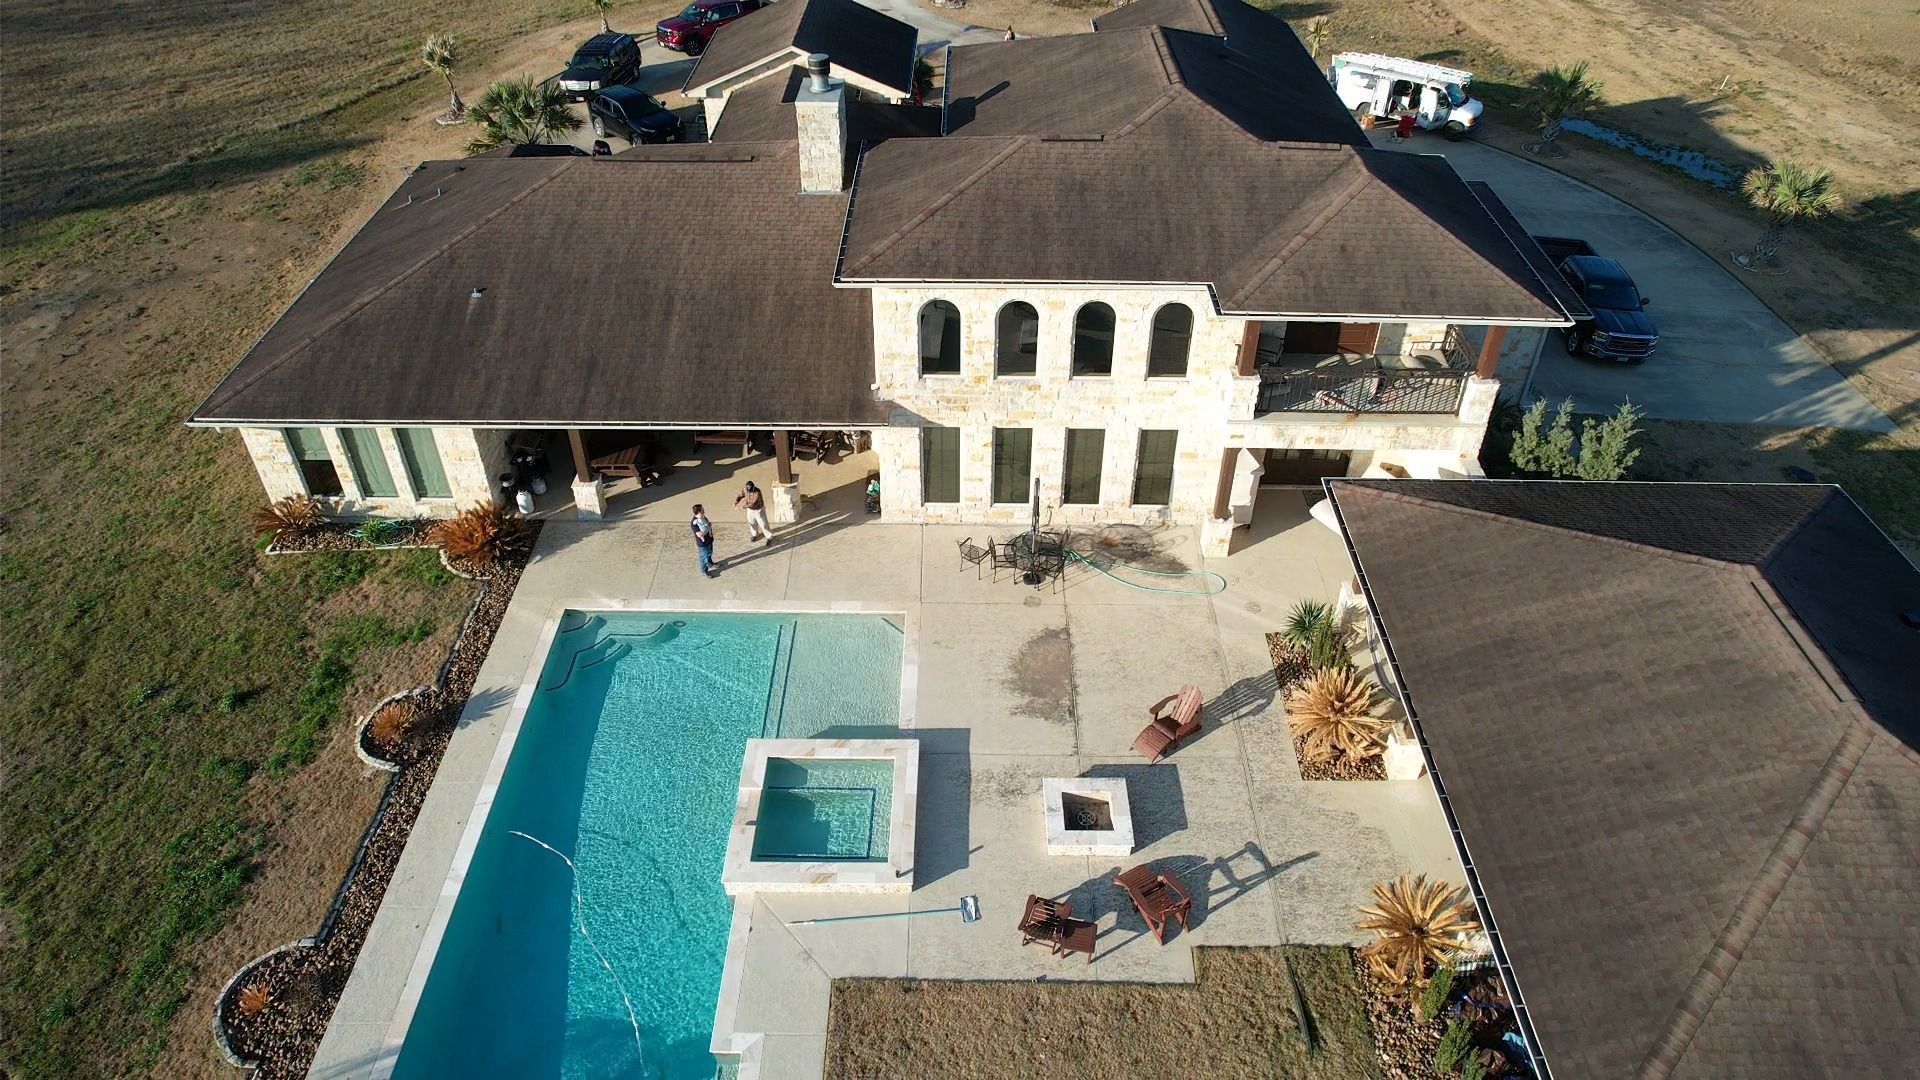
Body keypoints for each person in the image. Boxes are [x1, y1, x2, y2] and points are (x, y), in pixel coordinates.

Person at [690, 505, 716, 577]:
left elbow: (708, 524)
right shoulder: (693, 523)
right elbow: (700, 534)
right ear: (698, 511)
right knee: (704, 557)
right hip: (703, 543)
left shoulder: (703, 517)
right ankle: (704, 571)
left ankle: (710, 563)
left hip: (709, 539)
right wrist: (708, 528)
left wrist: (708, 528)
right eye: (702, 509)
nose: (704, 510)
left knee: (710, 552)